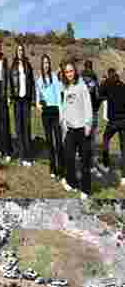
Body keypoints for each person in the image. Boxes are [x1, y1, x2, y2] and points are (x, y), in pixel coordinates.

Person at [61, 62, 94, 199]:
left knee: (84, 160)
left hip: (82, 129)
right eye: (67, 72)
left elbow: (88, 105)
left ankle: (85, 189)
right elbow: (64, 107)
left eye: (71, 71)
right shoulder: (66, 88)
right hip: (70, 130)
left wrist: (88, 124)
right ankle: (72, 182)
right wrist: (64, 123)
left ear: (75, 71)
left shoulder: (82, 86)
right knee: (68, 158)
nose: (69, 74)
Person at [36, 55, 65, 181]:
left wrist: (60, 110)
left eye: (47, 62)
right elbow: (38, 97)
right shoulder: (39, 80)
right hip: (46, 113)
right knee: (49, 141)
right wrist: (38, 104)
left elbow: (59, 95)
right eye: (44, 63)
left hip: (55, 112)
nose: (46, 65)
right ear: (41, 65)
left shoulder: (54, 77)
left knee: (58, 140)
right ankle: (52, 168)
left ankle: (61, 168)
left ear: (49, 64)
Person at [9, 44, 35, 166]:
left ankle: (28, 155)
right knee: (18, 127)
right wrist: (10, 96)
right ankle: (21, 153)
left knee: (27, 126)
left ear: (24, 52)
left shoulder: (28, 65)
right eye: (18, 49)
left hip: (26, 100)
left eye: (22, 50)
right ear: (16, 52)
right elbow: (10, 82)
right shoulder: (13, 66)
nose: (20, 51)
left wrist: (34, 99)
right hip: (17, 100)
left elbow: (32, 82)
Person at [98, 69, 125, 186]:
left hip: (113, 121)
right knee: (124, 149)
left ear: (109, 76)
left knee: (105, 139)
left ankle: (105, 163)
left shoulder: (108, 85)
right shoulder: (123, 86)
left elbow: (99, 94)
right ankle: (124, 177)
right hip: (124, 120)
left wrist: (104, 82)